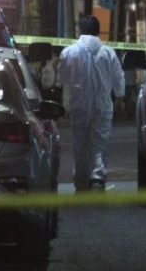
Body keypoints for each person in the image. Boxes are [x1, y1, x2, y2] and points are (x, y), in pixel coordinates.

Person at [58, 15, 125, 191]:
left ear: (80, 30)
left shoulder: (69, 52)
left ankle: (80, 179)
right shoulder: (108, 53)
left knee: (80, 143)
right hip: (102, 106)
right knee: (99, 143)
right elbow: (119, 78)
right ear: (98, 31)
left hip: (78, 105)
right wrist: (120, 95)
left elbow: (61, 79)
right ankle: (97, 178)